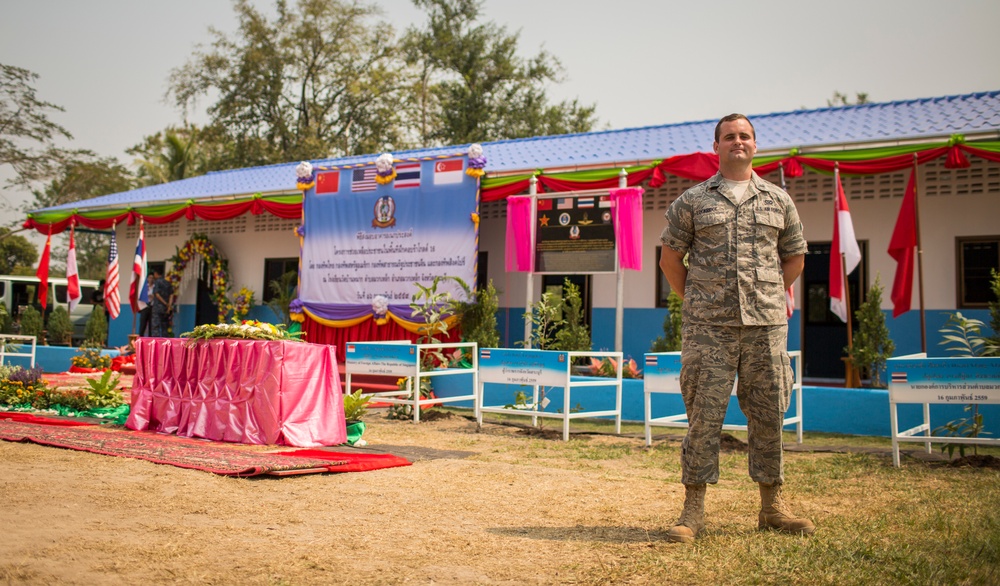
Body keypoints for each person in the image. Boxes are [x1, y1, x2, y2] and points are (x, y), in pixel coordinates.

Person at [658, 113, 812, 543]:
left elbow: (795, 256)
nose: (737, 142)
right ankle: (693, 511)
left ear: (755, 145)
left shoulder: (779, 200)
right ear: (717, 147)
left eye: (744, 136)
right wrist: (698, 300)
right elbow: (670, 259)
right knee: (702, 418)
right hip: (709, 329)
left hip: (765, 326)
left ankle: (772, 507)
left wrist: (766, 293)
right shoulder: (692, 201)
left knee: (768, 415)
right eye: (729, 137)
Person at [150, 269, 173, 337]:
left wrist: (165, 303)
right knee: (165, 327)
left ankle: (155, 344)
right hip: (165, 309)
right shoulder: (167, 282)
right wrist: (169, 306)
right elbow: (171, 295)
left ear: (156, 274)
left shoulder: (157, 282)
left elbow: (157, 294)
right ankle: (165, 344)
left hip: (157, 308)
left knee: (155, 327)